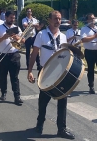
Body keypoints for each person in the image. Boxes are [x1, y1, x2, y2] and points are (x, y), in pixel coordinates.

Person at [27, 10, 75, 140]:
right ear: (49, 20)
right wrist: (30, 71)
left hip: (60, 73)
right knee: (43, 100)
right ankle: (39, 124)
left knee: (63, 100)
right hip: (46, 72)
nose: (57, 21)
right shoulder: (41, 35)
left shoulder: (63, 36)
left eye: (59, 18)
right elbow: (34, 53)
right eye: (55, 18)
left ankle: (62, 129)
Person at [0, 10, 24, 105]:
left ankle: (17, 97)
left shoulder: (16, 28)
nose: (12, 19)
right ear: (6, 17)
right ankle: (3, 92)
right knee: (3, 75)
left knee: (15, 77)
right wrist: (3, 37)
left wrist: (18, 39)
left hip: (14, 54)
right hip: (2, 54)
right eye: (11, 17)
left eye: (13, 18)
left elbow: (23, 41)